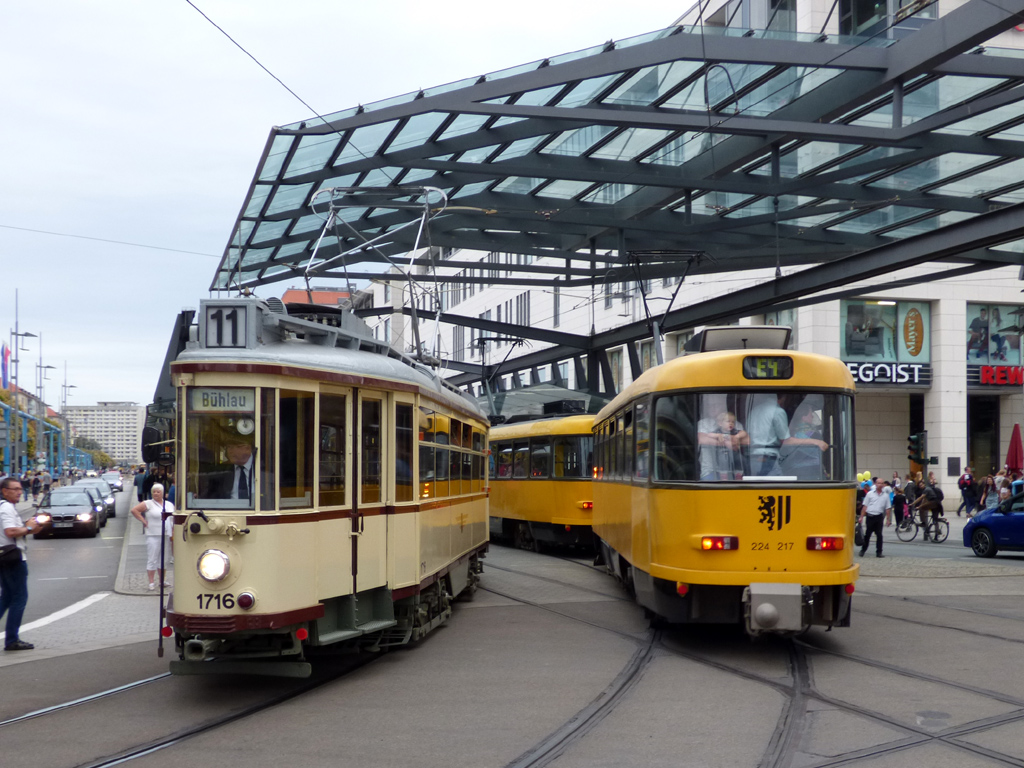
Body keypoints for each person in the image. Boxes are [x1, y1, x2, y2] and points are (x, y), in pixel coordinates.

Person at [0, 476, 43, 650]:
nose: (20, 492)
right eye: (15, 489)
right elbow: (10, 531)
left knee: (7, 597)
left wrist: (30, 527)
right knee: (19, 598)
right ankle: (12, 640)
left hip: (4, 557)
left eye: (20, 489)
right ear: (4, 491)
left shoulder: (4, 508)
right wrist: (30, 528)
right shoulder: (6, 508)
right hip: (13, 558)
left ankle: (12, 639)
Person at [747, 393, 828, 476]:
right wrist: (816, 442)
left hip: (752, 459)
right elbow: (786, 441)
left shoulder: (754, 411)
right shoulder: (777, 411)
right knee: (781, 487)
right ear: (783, 398)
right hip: (769, 459)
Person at [129, 482, 173, 591]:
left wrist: (173, 532)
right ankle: (151, 582)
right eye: (154, 492)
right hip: (153, 534)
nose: (156, 494)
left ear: (162, 493)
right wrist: (143, 520)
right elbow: (134, 510)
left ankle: (162, 580)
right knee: (152, 557)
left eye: (158, 492)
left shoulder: (169, 504)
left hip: (166, 534)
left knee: (163, 558)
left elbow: (173, 518)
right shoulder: (148, 503)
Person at [698, 408, 748, 480]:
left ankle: (739, 474)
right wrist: (721, 437)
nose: (731, 423)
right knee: (723, 460)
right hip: (713, 466)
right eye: (728, 421)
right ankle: (724, 477)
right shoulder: (705, 424)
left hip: (734, 456)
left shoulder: (735, 428)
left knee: (741, 460)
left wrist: (736, 437)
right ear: (720, 423)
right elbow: (704, 437)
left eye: (732, 422)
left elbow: (746, 438)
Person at [201, 437, 255, 501]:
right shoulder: (221, 471)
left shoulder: (264, 469)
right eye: (228, 447)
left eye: (231, 447)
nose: (229, 451)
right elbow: (210, 498)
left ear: (247, 449)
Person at [859, 476, 892, 558]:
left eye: (881, 483)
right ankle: (863, 550)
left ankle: (879, 552)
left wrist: (888, 519)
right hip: (870, 516)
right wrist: (861, 517)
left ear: (883, 485)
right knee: (867, 535)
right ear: (875, 484)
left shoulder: (885, 496)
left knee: (879, 535)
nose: (880, 485)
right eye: (878, 483)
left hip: (879, 517)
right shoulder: (870, 494)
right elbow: (865, 506)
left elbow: (888, 508)